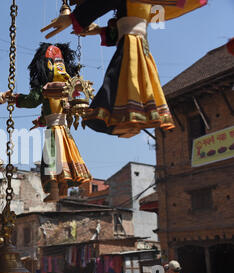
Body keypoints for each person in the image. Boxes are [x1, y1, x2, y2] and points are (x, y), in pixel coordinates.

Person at [41, 0, 207, 138]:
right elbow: (130, 19)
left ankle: (124, 123)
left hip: (131, 46)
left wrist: (74, 18)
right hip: (135, 44)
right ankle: (125, 123)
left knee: (115, 86)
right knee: (119, 86)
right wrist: (97, 30)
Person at [13, 43, 92, 202]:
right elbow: (52, 109)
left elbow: (33, 100)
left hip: (55, 129)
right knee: (59, 161)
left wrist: (16, 98)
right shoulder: (65, 87)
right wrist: (41, 120)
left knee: (51, 162)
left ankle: (56, 191)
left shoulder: (49, 87)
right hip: (63, 129)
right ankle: (60, 192)